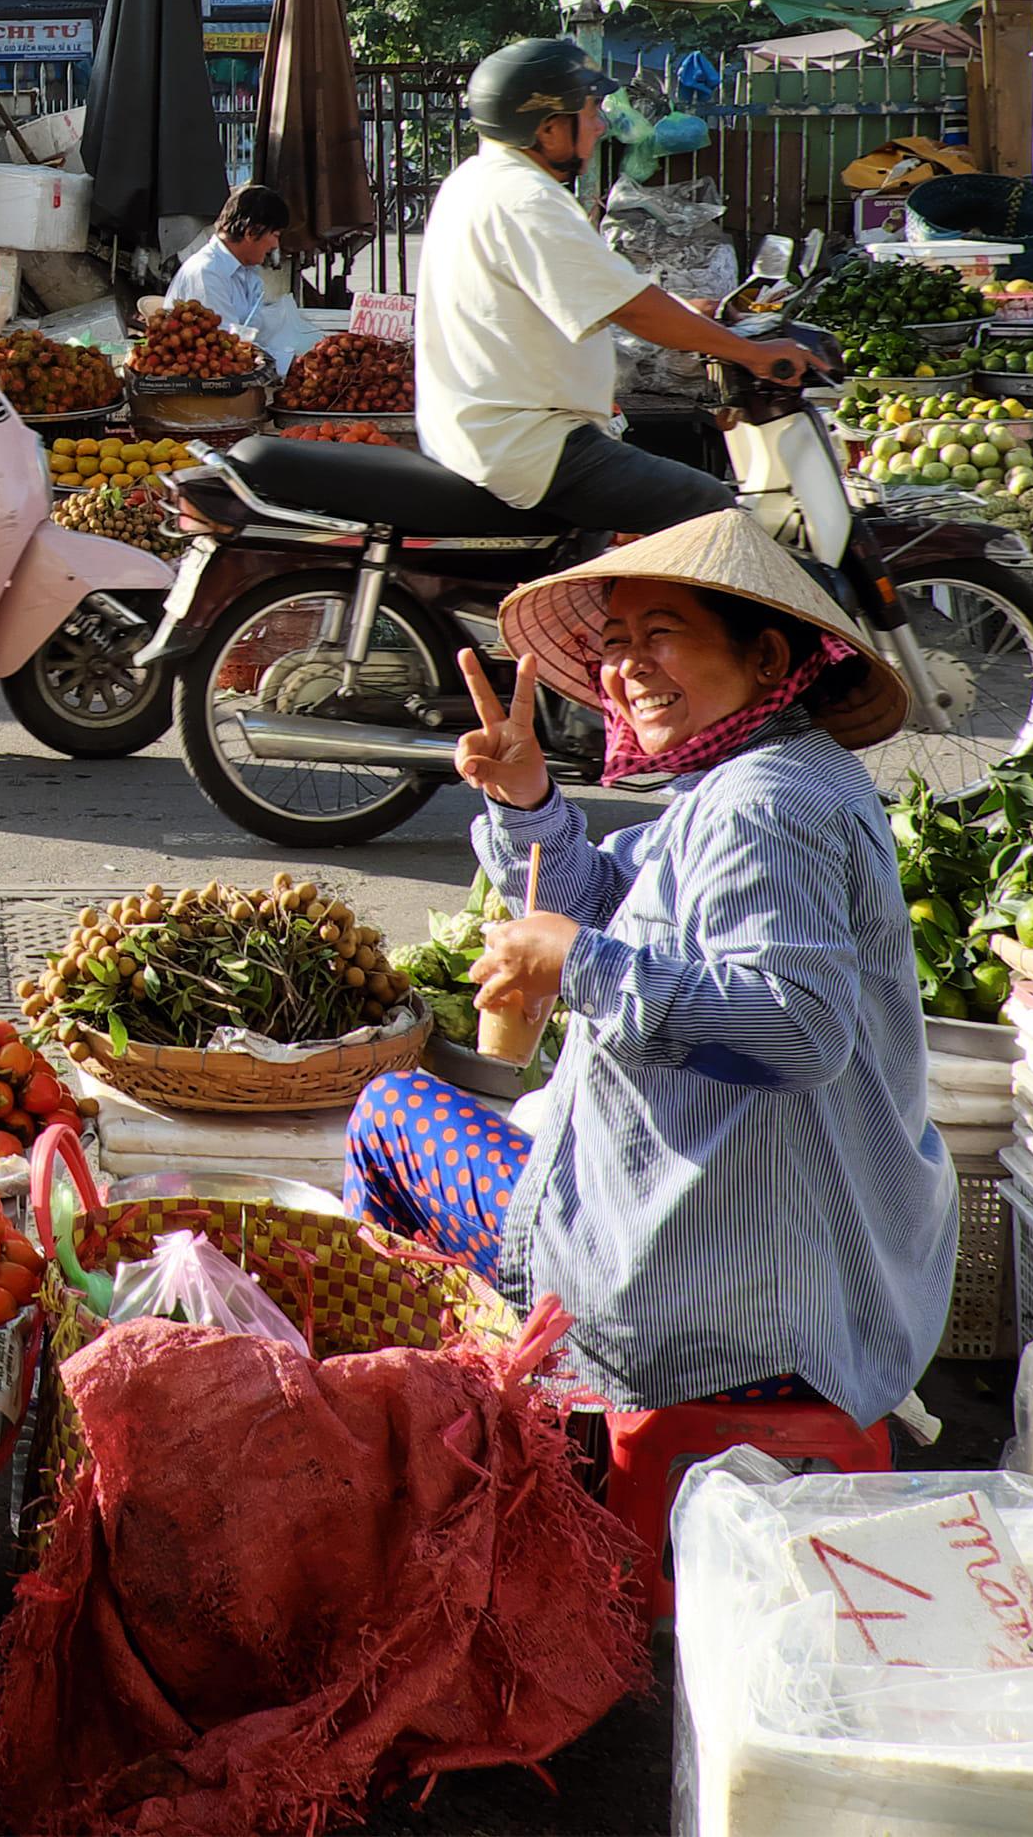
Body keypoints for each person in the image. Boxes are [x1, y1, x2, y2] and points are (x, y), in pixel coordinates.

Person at [343, 511, 952, 1425]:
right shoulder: (759, 775)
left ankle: (417, 1425)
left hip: (726, 1310)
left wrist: (578, 964)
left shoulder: (764, 803)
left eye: (660, 635)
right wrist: (525, 800)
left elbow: (798, 1027)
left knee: (390, 1116)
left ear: (767, 658)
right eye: (616, 643)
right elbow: (601, 897)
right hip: (787, 1279)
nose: (628, 667)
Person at [415, 39, 821, 535]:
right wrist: (751, 353)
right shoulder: (526, 198)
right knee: (712, 510)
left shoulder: (477, 180)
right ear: (548, 128)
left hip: (482, 434)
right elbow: (633, 309)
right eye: (590, 113)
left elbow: (601, 290)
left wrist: (688, 312)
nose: (601, 126)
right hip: (531, 445)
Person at [166, 182, 328, 377]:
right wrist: (290, 363)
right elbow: (224, 347)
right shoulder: (207, 273)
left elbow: (251, 338)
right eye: (275, 235)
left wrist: (298, 360)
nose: (275, 245)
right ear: (252, 232)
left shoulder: (247, 272)